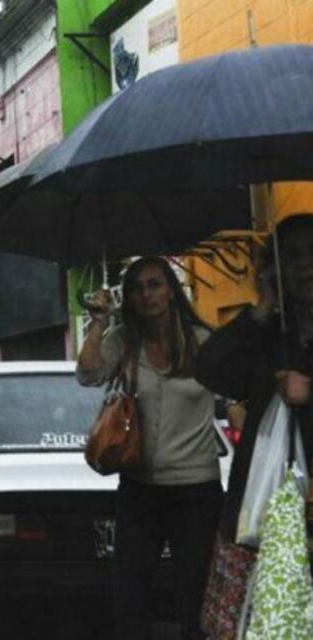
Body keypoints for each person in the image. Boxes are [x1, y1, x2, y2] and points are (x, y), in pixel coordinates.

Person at [76, 256, 222, 640]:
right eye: (138, 287)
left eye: (155, 284)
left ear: (172, 292)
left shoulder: (203, 341)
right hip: (139, 488)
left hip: (196, 490)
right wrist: (98, 322)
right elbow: (87, 374)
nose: (147, 294)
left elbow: (237, 392)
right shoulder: (123, 341)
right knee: (130, 597)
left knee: (195, 597)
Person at [196, 214, 313, 548]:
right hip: (269, 494)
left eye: (311, 252)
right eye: (292, 256)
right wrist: (261, 310)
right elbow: (209, 369)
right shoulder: (268, 330)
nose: (305, 264)